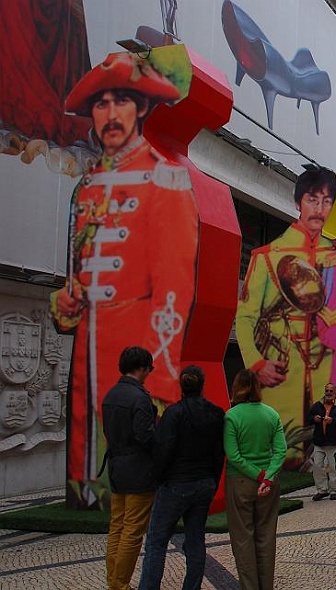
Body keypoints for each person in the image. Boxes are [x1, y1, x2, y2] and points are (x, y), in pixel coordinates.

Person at [51, 52, 197, 508]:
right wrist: (65, 305)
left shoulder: (166, 180)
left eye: (122, 102)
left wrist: (159, 372)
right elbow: (77, 275)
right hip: (87, 355)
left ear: (141, 109)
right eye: (101, 104)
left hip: (136, 350)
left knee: (133, 481)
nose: (111, 114)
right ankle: (86, 496)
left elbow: (175, 286)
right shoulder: (88, 187)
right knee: (88, 461)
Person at [236, 165, 336, 466]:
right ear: (297, 202)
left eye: (327, 201)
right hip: (280, 373)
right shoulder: (265, 257)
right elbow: (245, 317)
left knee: (329, 452)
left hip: (327, 372)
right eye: (312, 199)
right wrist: (255, 362)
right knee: (281, 453)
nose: (319, 209)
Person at [139, 365, 226, 590]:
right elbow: (219, 453)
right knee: (196, 538)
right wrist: (213, 480)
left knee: (157, 541)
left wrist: (159, 478)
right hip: (204, 482)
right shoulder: (216, 413)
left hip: (177, 483)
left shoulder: (174, 413)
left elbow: (163, 449)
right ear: (202, 384)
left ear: (182, 385)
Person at [224, 369, 286, 590]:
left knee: (243, 539)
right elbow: (280, 451)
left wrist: (256, 474)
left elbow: (233, 455)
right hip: (268, 484)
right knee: (266, 537)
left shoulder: (231, 416)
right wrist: (267, 477)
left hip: (240, 482)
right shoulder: (271, 414)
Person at [102, 346, 159, 590]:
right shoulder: (139, 398)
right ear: (142, 368)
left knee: (117, 525)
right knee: (133, 530)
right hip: (138, 470)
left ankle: (114, 580)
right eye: (149, 369)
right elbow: (145, 436)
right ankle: (120, 584)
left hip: (116, 467)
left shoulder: (111, 395)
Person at [307, 382, 336, 501]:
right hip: (319, 442)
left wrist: (334, 421)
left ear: (335, 392)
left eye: (331, 391)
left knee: (334, 467)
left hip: (334, 442)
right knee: (317, 466)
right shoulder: (317, 406)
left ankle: (333, 490)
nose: (328, 393)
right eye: (327, 391)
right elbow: (308, 418)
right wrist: (314, 419)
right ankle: (322, 490)